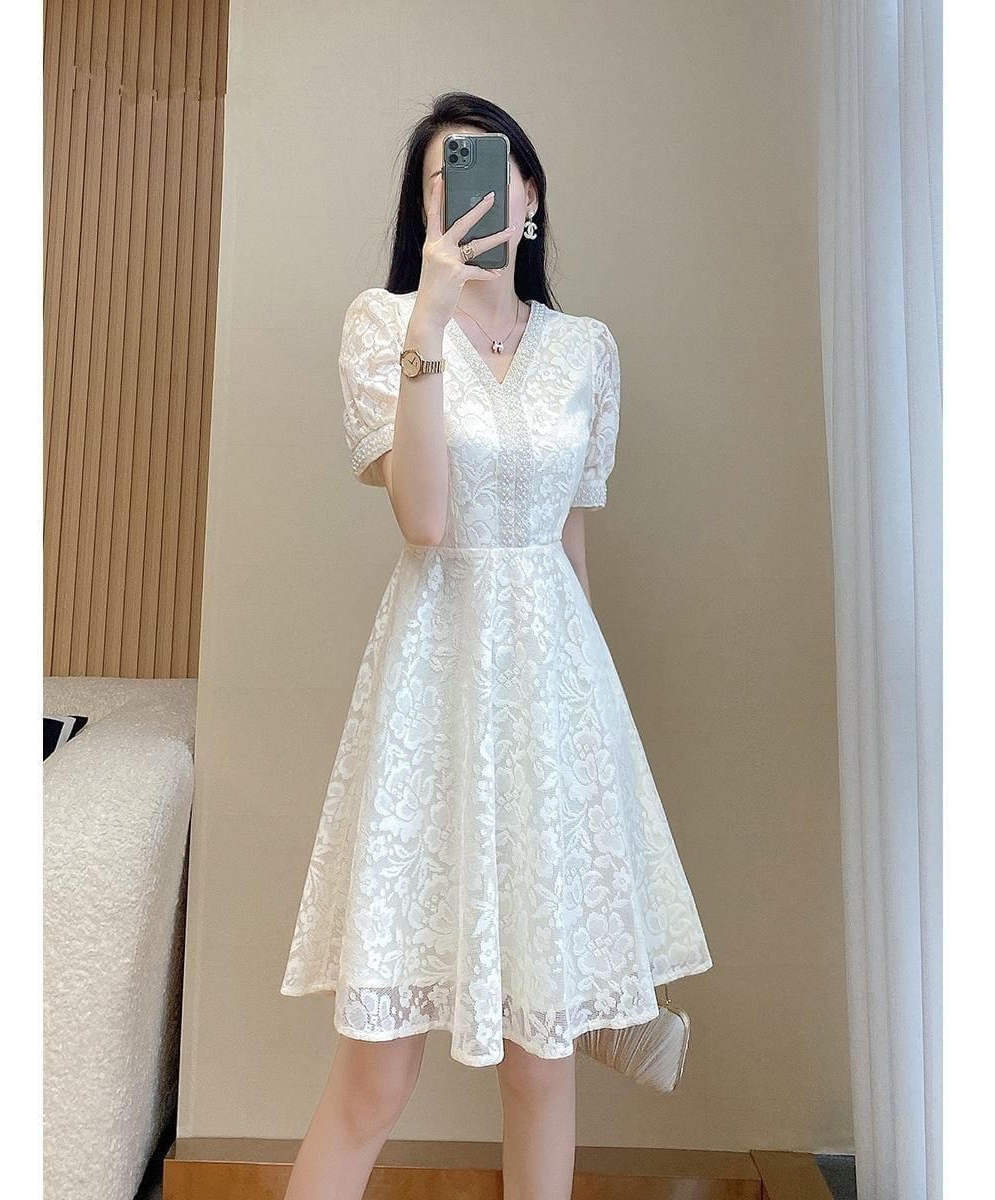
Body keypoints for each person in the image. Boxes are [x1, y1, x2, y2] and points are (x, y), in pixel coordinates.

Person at [278, 91, 712, 1200]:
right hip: (434, 699)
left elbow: (570, 546)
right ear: (424, 213)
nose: (471, 192)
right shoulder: (384, 326)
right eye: (445, 179)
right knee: (375, 1076)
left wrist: (591, 742)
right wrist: (428, 325)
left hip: (554, 704)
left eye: (491, 169)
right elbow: (425, 521)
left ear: (530, 196)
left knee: (541, 1064)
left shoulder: (587, 351)